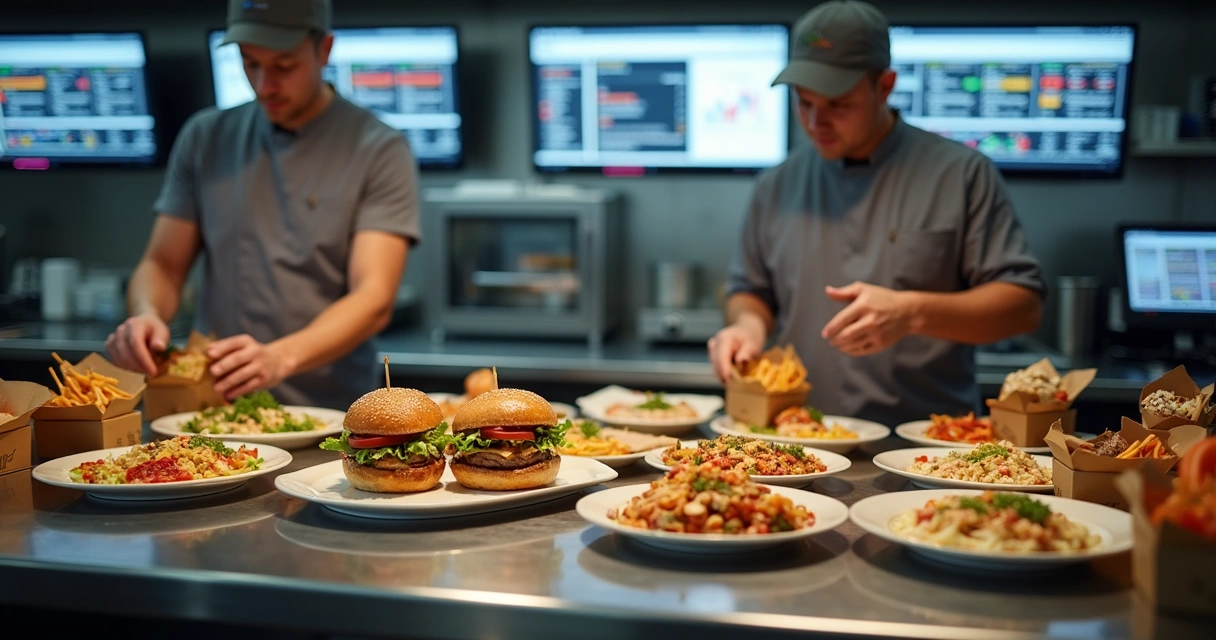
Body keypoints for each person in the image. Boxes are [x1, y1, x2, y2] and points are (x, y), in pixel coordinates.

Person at [707, 0, 1045, 426]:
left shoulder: (960, 174)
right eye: (804, 102)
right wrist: (747, 327)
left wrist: (912, 312)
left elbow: (1023, 306)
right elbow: (749, 291)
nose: (816, 122)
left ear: (884, 86)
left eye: (838, 104)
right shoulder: (777, 184)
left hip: (928, 446)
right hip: (799, 438)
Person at [106, 0, 419, 408]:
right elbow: (163, 264)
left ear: (324, 50)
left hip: (328, 412)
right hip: (211, 407)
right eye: (249, 63)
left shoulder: (379, 148)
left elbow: (373, 297)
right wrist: (147, 314)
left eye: (284, 66)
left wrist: (280, 356)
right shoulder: (205, 137)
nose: (264, 83)